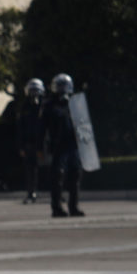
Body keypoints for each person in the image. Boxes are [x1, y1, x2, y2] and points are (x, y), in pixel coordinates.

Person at [42, 75, 84, 218]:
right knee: (57, 177)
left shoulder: (74, 103)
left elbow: (82, 123)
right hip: (58, 146)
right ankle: (57, 208)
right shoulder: (49, 105)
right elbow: (43, 127)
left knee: (75, 175)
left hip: (73, 145)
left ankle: (74, 207)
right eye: (60, 86)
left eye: (64, 86)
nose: (62, 89)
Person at [3, 79, 47, 204]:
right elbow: (20, 128)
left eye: (36, 90)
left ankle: (56, 192)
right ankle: (31, 192)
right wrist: (21, 146)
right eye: (31, 91)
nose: (34, 94)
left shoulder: (45, 106)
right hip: (29, 143)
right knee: (30, 169)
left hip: (44, 142)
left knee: (53, 168)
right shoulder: (24, 108)